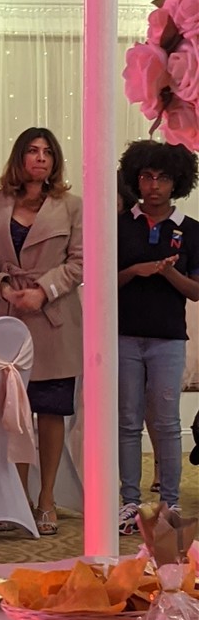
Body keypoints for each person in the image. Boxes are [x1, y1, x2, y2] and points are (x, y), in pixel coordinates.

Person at [0, 128, 83, 537]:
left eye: (48, 152)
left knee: (50, 410)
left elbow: (80, 261)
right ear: (20, 157)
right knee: (11, 412)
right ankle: (13, 498)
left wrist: (44, 290)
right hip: (7, 318)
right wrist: (2, 287)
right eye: (33, 151)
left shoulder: (70, 206)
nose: (41, 158)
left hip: (54, 319)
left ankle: (46, 498)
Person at [116, 140, 199, 533]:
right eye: (147, 177)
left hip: (168, 339)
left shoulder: (191, 230)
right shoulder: (119, 226)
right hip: (123, 337)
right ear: (135, 179)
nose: (154, 185)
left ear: (176, 182)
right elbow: (98, 282)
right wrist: (136, 270)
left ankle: (170, 503)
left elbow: (195, 291)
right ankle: (130, 503)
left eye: (163, 178)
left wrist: (168, 272)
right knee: (128, 422)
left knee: (166, 423)